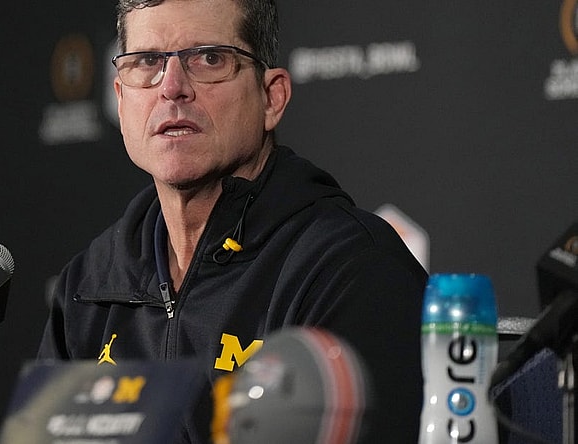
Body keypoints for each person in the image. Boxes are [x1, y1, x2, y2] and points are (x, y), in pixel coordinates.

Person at [38, 0, 428, 442]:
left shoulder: (350, 268)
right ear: (121, 98)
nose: (172, 88)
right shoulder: (89, 285)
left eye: (209, 58)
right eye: (148, 61)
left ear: (271, 97)